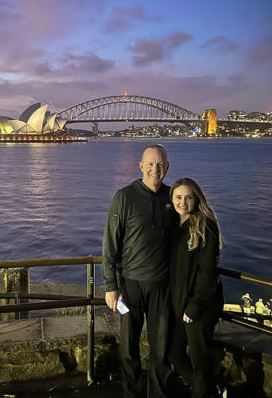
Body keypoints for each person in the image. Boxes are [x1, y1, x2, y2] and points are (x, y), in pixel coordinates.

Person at [102, 145, 175, 398]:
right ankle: (131, 394)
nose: (156, 169)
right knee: (129, 345)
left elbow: (193, 228)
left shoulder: (174, 197)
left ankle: (158, 394)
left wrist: (214, 250)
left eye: (161, 164)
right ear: (141, 166)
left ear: (167, 167)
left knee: (161, 347)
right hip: (130, 284)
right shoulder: (124, 196)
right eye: (151, 164)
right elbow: (110, 244)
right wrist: (111, 286)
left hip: (163, 285)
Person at [168, 178, 224, 398]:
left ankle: (204, 392)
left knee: (200, 364)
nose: (183, 202)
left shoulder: (203, 225)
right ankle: (210, 393)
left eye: (189, 197)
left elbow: (207, 273)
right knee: (175, 354)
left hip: (199, 305)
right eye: (178, 197)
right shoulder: (173, 226)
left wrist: (195, 306)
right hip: (182, 304)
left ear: (197, 198)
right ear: (171, 199)